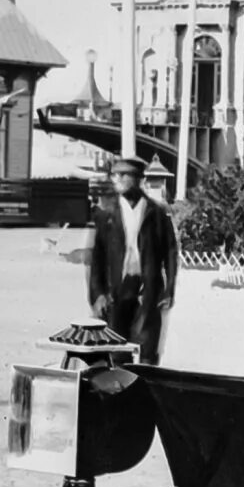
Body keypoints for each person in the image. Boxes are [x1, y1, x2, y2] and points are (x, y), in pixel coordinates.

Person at [85, 154, 176, 364]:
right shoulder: (107, 214)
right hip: (116, 288)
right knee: (116, 348)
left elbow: (170, 253)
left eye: (124, 175)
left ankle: (145, 390)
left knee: (148, 348)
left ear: (138, 179)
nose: (117, 179)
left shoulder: (157, 214)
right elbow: (96, 258)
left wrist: (169, 289)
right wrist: (98, 294)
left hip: (148, 287)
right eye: (115, 174)